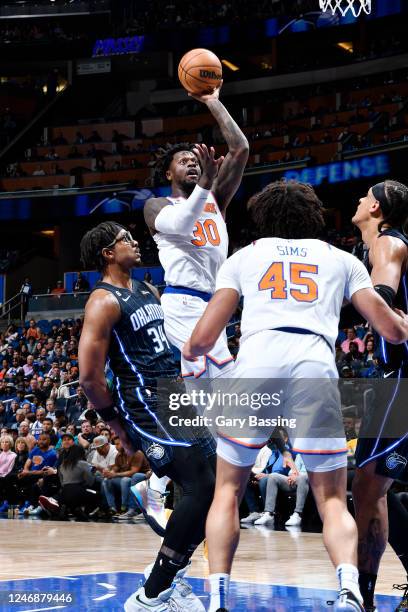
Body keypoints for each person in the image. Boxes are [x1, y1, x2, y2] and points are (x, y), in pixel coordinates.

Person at [182, 180, 408, 612]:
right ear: (313, 216)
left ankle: (217, 599)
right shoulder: (341, 259)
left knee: (227, 490)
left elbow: (202, 338)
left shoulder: (243, 258)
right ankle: (348, 592)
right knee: (331, 498)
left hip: (257, 361)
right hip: (313, 364)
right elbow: (391, 330)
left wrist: (193, 352)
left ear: (263, 218)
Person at [79, 220, 217, 611]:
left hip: (174, 395)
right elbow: (89, 377)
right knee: (200, 486)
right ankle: (153, 594)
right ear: (108, 253)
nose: (134, 241)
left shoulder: (147, 289)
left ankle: (168, 580)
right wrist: (118, 428)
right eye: (125, 238)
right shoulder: (102, 302)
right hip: (145, 403)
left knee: (219, 484)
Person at [144, 83, 248, 380]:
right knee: (212, 380)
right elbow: (180, 224)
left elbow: (241, 149)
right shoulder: (155, 205)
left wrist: (213, 102)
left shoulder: (214, 198)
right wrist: (205, 183)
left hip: (215, 304)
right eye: (184, 162)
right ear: (168, 173)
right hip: (182, 302)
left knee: (222, 386)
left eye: (194, 161)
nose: (191, 164)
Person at [351, 180, 408, 612]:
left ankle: (362, 598)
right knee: (375, 486)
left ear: (374, 207)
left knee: (369, 484)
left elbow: (383, 298)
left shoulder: (386, 243)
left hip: (403, 378)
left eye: (361, 197)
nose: (356, 201)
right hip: (393, 378)